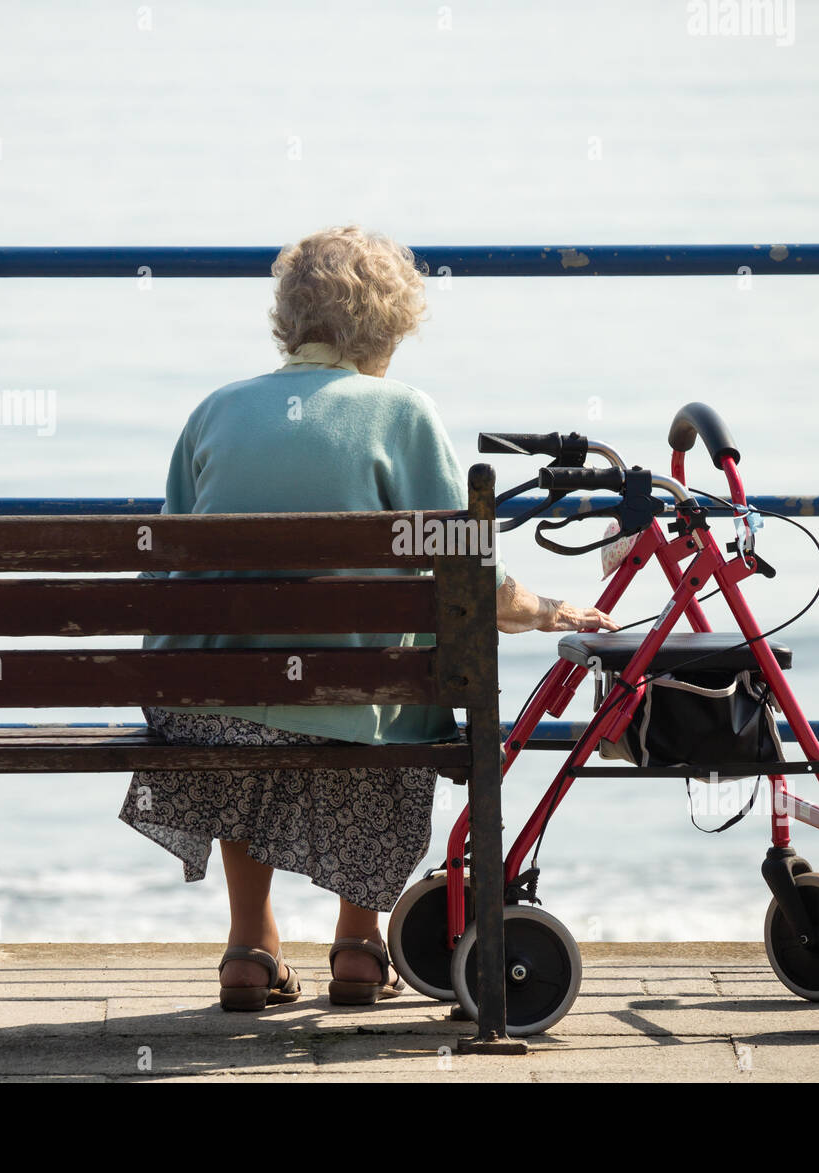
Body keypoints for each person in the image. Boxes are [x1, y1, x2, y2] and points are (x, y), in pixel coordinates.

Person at [118, 225, 616, 1011]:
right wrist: (548, 609)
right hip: (359, 713)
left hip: (208, 710)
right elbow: (466, 570)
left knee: (246, 705)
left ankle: (249, 947)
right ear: (384, 324)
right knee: (394, 691)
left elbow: (172, 576)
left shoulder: (213, 412)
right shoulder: (401, 411)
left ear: (293, 319)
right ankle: (357, 943)